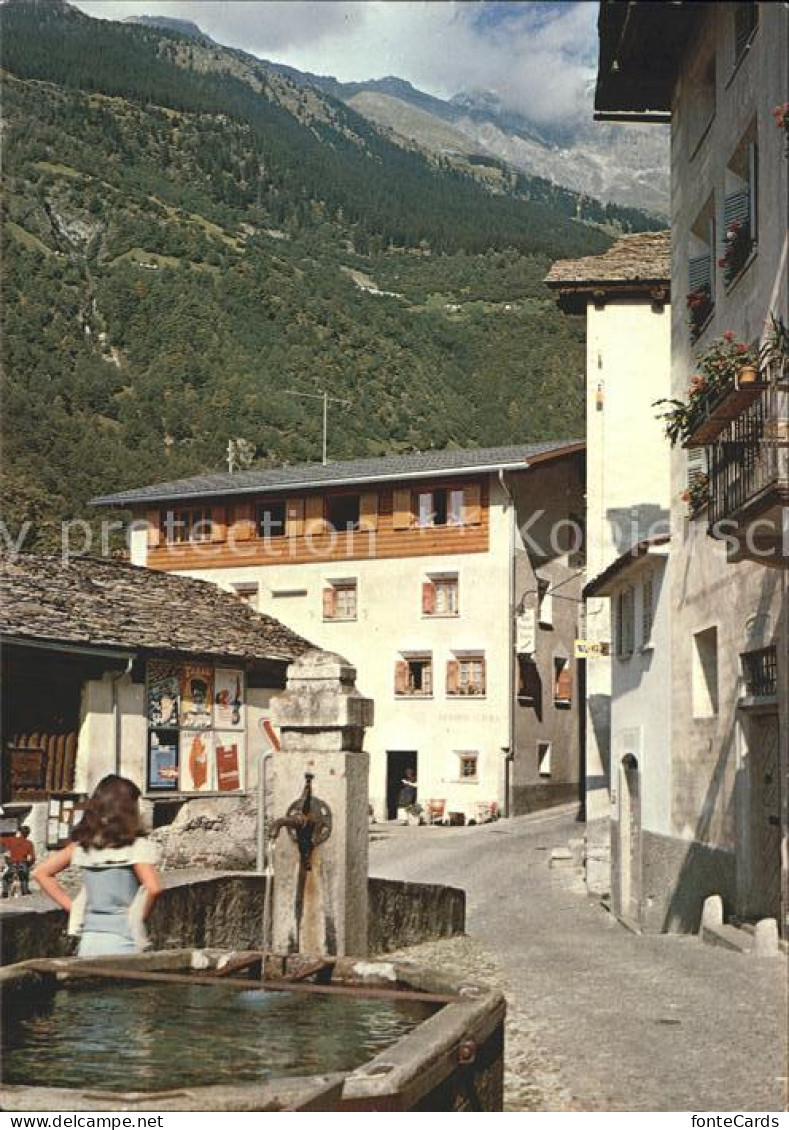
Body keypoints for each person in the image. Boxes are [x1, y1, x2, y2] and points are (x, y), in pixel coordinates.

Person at [32, 775, 162, 957]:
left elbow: (41, 873)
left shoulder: (82, 846)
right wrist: (137, 918)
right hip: (124, 939)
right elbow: (153, 888)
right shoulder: (136, 847)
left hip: (89, 939)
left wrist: (73, 907)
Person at [1, 826, 36, 896]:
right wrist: (28, 865)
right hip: (23, 863)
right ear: (28, 834)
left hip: (13, 864)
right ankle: (25, 892)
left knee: (5, 878)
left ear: (19, 832)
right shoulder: (29, 843)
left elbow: (1, 841)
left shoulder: (12, 840)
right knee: (24, 878)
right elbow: (33, 858)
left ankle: (5, 893)